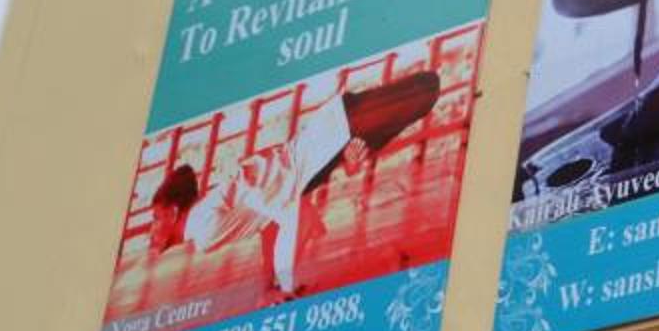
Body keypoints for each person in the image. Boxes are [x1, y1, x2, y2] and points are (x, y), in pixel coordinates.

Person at [147, 71, 441, 300]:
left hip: (338, 130)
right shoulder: (206, 219)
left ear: (173, 212)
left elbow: (275, 210)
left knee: (426, 90)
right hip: (334, 137)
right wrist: (270, 283)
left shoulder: (204, 229)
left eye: (156, 218)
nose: (152, 231)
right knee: (424, 95)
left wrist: (285, 283)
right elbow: (267, 223)